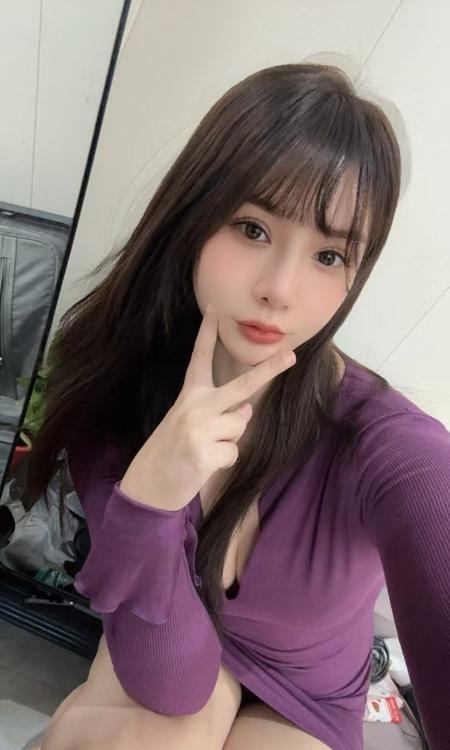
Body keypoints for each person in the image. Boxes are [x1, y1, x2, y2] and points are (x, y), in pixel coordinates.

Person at [23, 62, 449, 750]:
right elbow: (173, 685)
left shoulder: (388, 447)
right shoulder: (115, 379)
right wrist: (152, 499)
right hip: (169, 643)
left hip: (308, 692)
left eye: (329, 256)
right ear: (192, 217)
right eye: (252, 228)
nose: (280, 289)